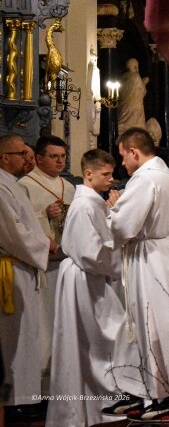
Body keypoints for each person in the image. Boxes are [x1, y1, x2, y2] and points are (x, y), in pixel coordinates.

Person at [47, 149, 144, 426]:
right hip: (85, 278)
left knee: (95, 342)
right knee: (106, 337)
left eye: (112, 173)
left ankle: (97, 405)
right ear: (88, 174)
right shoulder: (84, 205)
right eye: (106, 174)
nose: (111, 179)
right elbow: (90, 252)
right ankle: (100, 404)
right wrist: (120, 263)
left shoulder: (92, 202)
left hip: (90, 277)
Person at [108, 128, 169, 422]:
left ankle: (161, 394)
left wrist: (113, 209)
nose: (123, 163)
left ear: (134, 152)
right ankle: (155, 391)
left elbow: (124, 227)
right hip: (163, 254)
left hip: (147, 257)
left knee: (152, 324)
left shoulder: (144, 179)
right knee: (162, 324)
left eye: (123, 156)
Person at [0, 134, 52, 422]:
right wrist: (46, 246)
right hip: (10, 269)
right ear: (5, 157)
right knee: (13, 338)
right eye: (21, 153)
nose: (27, 158)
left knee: (28, 335)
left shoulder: (12, 185)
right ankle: (14, 400)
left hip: (23, 265)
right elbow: (12, 232)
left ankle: (27, 396)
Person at [18, 135, 76, 381]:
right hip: (40, 265)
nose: (60, 161)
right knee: (43, 323)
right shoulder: (24, 185)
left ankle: (65, 376)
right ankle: (41, 381)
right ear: (39, 158)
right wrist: (44, 214)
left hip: (66, 260)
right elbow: (17, 224)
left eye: (63, 156)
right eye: (54, 156)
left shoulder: (69, 186)